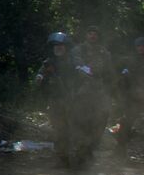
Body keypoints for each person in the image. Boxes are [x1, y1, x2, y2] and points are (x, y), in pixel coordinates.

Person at [35, 31, 98, 167]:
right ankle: (61, 159)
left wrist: (81, 91)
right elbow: (40, 76)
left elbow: (87, 77)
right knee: (59, 130)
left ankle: (83, 159)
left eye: (61, 45)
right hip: (56, 101)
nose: (58, 48)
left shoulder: (74, 60)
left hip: (74, 101)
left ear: (66, 47)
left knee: (77, 130)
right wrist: (40, 77)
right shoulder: (49, 62)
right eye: (56, 45)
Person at [115, 36, 144, 160]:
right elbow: (123, 82)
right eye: (138, 46)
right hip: (133, 99)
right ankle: (120, 151)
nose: (141, 48)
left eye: (143, 46)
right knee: (125, 124)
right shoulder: (130, 61)